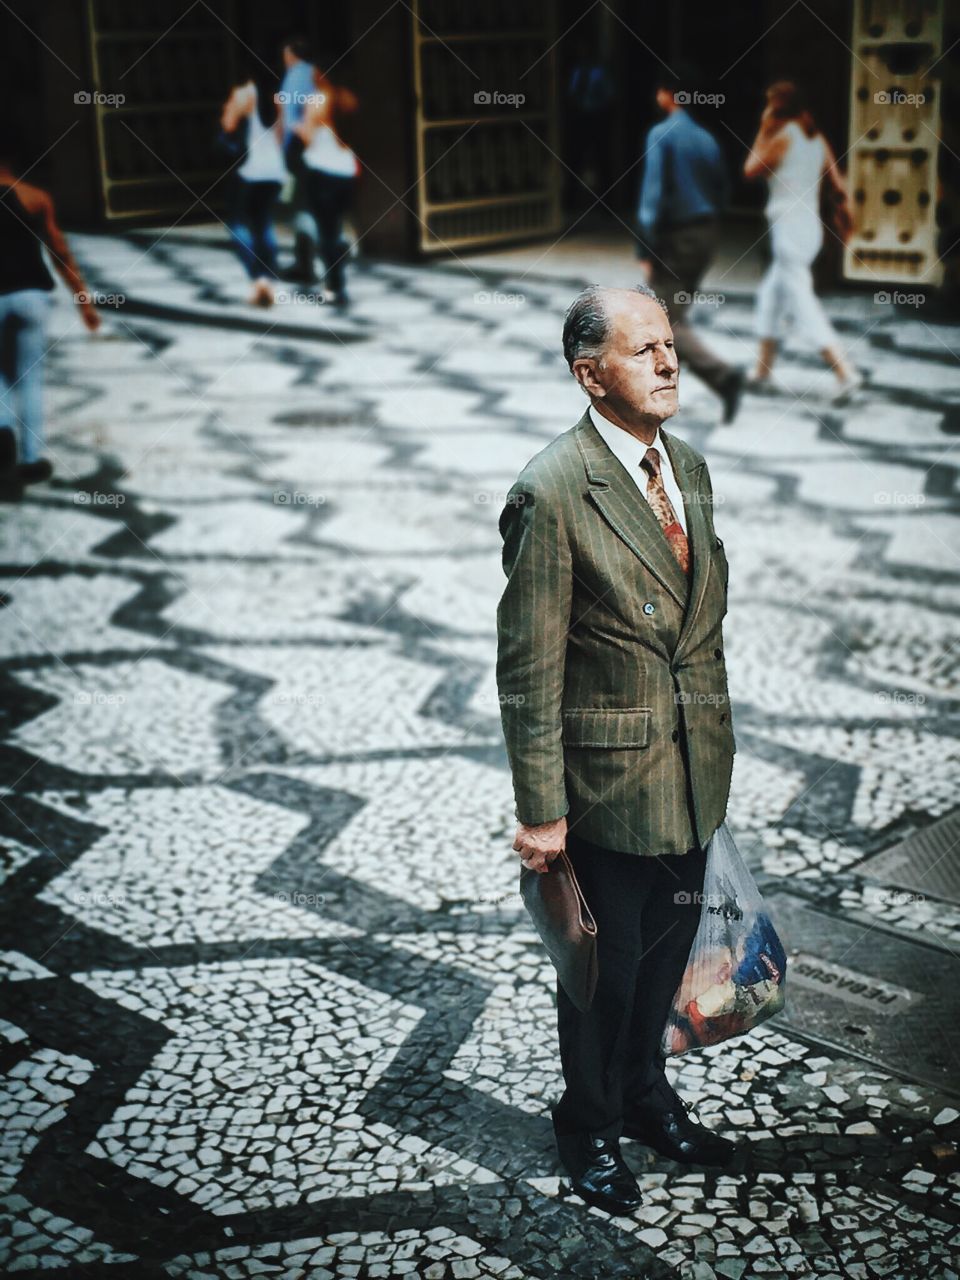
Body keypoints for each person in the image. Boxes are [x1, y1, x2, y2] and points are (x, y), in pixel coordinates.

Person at [496, 283, 737, 1216]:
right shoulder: (552, 490)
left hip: (691, 774)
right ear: (589, 374)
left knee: (665, 963)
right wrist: (542, 811)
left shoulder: (691, 467)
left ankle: (645, 1096)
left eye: (671, 344)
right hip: (604, 788)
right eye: (645, 350)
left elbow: (702, 622)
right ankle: (588, 1126)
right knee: (604, 974)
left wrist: (712, 740)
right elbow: (528, 667)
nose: (669, 361)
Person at [636, 62, 744, 424]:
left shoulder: (661, 134)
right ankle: (662, 392)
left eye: (659, 91)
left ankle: (722, 376)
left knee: (661, 324)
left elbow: (652, 197)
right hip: (706, 234)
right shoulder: (706, 138)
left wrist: (645, 247)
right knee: (671, 316)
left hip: (676, 237)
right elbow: (723, 189)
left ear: (668, 96)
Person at [744, 80, 861, 402]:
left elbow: (751, 168)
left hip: (789, 232)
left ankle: (844, 372)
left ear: (778, 110)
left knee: (802, 302)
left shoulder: (782, 139)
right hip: (810, 229)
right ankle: (762, 372)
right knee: (770, 296)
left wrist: (763, 129)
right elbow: (838, 186)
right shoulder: (816, 140)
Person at [0, 148, 100, 500]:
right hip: (31, 296)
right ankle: (29, 460)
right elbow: (60, 251)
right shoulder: (36, 197)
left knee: (0, 379)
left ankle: (2, 445)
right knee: (29, 380)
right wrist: (83, 301)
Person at [291, 65, 360, 308]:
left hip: (321, 171)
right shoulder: (348, 99)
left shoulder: (316, 100)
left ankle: (336, 287)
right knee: (336, 225)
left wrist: (298, 128)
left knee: (327, 232)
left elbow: (309, 138)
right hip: (347, 171)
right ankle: (340, 260)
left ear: (321, 74)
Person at [220, 69, 286, 307]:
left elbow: (228, 126)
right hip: (275, 171)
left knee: (238, 224)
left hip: (250, 171)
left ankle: (257, 278)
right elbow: (281, 135)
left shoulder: (243, 94)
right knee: (264, 222)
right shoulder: (278, 97)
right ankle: (268, 279)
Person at [278, 36, 320, 284]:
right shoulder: (317, 74)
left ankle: (305, 264)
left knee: (301, 205)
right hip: (318, 147)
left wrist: (282, 153)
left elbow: (287, 117)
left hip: (298, 146)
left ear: (293, 56)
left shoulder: (293, 76)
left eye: (286, 54)